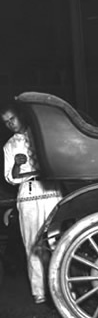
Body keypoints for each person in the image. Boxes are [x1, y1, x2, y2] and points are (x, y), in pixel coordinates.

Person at [2, 103, 62, 304]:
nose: (11, 124)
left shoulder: (41, 134)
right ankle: (40, 294)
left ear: (20, 115)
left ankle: (62, 289)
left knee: (56, 240)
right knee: (33, 244)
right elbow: (11, 177)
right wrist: (18, 166)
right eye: (6, 122)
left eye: (12, 118)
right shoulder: (9, 145)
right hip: (28, 194)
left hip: (51, 190)